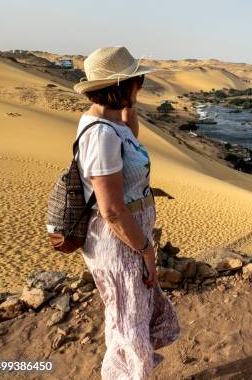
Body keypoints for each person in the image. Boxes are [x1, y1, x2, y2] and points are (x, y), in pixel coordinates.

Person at [73, 46, 180, 379]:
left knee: (127, 319)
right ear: (120, 85)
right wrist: (146, 251)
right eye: (138, 80)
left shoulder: (111, 124)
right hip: (118, 246)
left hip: (127, 244)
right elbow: (113, 211)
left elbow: (131, 137)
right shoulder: (101, 135)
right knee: (130, 327)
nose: (142, 85)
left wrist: (129, 102)